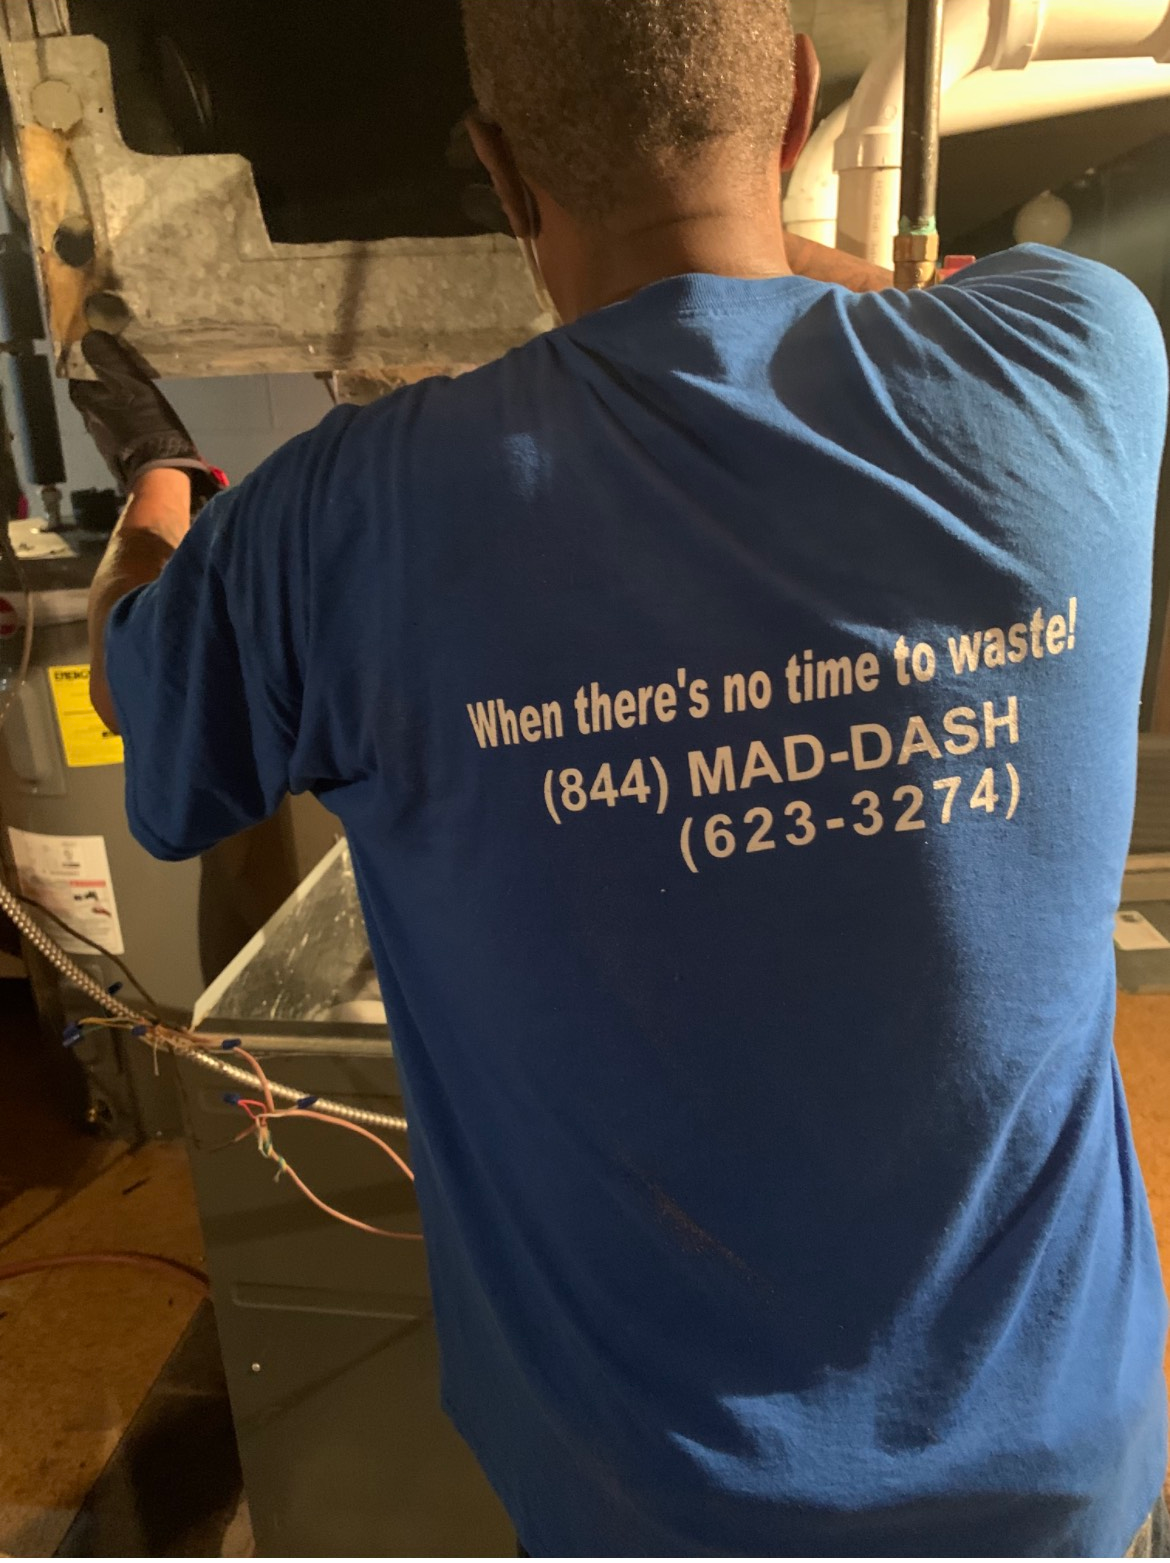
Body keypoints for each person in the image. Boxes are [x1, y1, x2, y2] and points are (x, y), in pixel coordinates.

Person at [72, 0, 1168, 1554]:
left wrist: (161, 482)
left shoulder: (339, 522)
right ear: (793, 102)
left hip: (656, 1504)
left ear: (501, 173)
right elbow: (914, 299)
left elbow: (131, 668)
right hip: (1053, 1472)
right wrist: (729, 286)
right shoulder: (1080, 354)